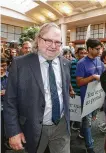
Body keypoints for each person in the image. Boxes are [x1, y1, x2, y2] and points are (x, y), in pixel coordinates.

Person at [3, 23, 71, 153]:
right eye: (48, 40)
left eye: (58, 42)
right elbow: (10, 101)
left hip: (61, 126)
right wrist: (13, 131)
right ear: (39, 40)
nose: (53, 46)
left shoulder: (65, 63)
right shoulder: (20, 64)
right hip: (32, 127)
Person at [76, 38, 105, 153]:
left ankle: (82, 133)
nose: (100, 51)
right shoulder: (81, 63)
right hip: (86, 98)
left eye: (100, 49)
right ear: (90, 49)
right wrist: (92, 77)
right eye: (97, 49)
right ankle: (90, 147)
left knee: (89, 120)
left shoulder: (100, 62)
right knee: (87, 122)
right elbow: (79, 82)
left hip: (97, 97)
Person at [70, 47, 88, 131]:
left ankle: (79, 128)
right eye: (81, 53)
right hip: (74, 93)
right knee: (72, 113)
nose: (84, 55)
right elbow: (67, 77)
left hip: (84, 92)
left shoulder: (87, 64)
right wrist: (70, 89)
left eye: (85, 53)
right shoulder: (72, 63)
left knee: (82, 113)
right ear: (77, 54)